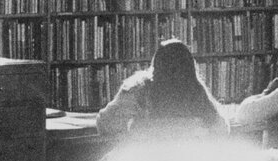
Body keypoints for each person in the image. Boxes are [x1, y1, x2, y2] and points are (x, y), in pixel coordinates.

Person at [95, 39, 228, 140]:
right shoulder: (197, 92)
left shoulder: (139, 89)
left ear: (156, 65)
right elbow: (222, 129)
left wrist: (128, 138)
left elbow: (105, 122)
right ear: (190, 69)